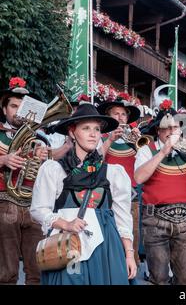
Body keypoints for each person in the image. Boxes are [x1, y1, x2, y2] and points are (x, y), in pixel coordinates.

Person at [30, 103, 137, 284]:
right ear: (72, 132)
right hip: (69, 246)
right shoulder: (54, 169)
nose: (93, 133)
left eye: (97, 129)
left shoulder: (113, 172)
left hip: (106, 248)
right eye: (86, 128)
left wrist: (129, 254)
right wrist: (66, 223)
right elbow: (38, 210)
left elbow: (122, 217)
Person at [134, 99, 186, 285]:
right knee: (159, 278)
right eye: (166, 128)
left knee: (185, 278)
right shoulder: (148, 150)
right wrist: (163, 152)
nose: (171, 132)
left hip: (185, 220)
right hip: (155, 221)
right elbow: (138, 177)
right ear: (158, 131)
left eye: (176, 127)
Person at [0, 77, 47, 285]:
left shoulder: (38, 138)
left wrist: (53, 153)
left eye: (23, 107)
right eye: (13, 106)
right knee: (7, 272)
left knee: (36, 271)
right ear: (4, 110)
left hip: (33, 206)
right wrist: (3, 159)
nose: (18, 111)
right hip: (4, 205)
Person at [97, 92, 142, 266]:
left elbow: (146, 164)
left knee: (132, 235)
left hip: (131, 195)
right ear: (108, 116)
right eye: (116, 113)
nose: (120, 117)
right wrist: (109, 140)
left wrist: (139, 143)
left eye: (123, 114)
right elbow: (95, 161)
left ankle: (131, 266)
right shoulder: (100, 136)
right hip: (104, 194)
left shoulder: (135, 138)